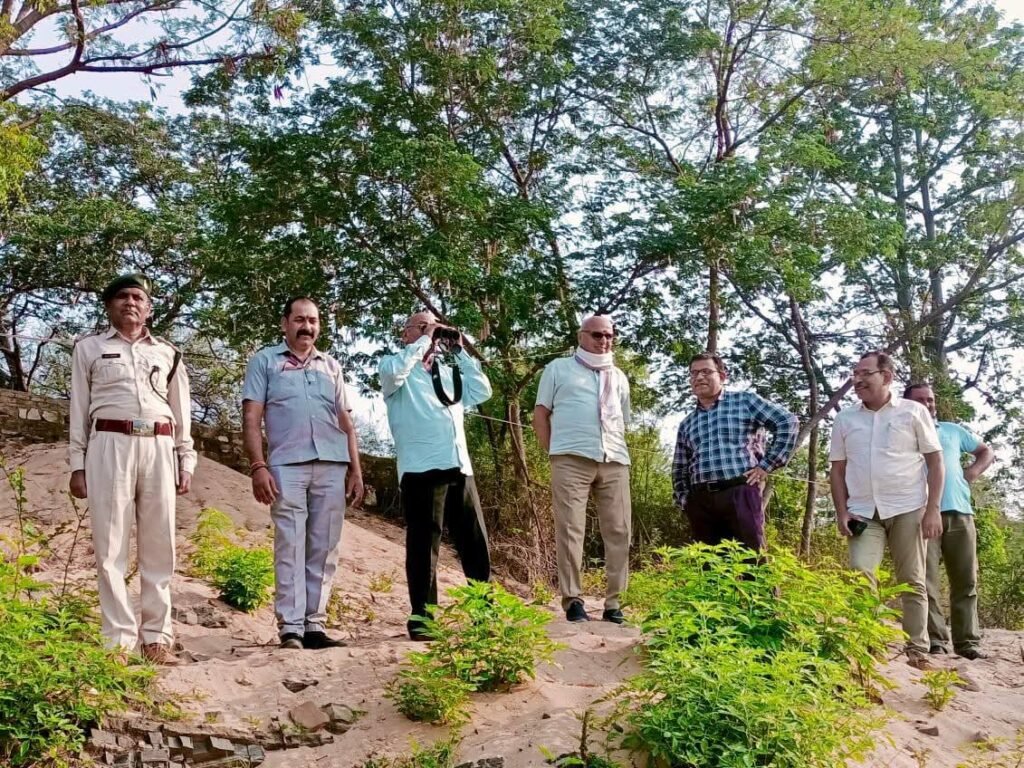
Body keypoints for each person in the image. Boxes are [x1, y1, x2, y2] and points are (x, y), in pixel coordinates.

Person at [68, 274, 196, 665]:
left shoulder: (169, 354)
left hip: (159, 445)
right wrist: (77, 463)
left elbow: (181, 411)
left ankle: (157, 637)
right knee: (110, 547)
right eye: (121, 296)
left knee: (160, 545)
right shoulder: (89, 349)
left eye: (138, 297)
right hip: (108, 444)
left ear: (149, 308)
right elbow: (78, 409)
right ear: (109, 306)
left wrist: (184, 458)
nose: (130, 302)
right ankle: (119, 642)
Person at [242, 297, 364, 650]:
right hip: (285, 466)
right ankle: (291, 627)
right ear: (285, 323)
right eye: (299, 319)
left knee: (325, 547)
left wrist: (355, 469)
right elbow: (251, 420)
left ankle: (314, 624)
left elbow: (346, 423)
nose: (306, 327)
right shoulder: (265, 362)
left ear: (319, 326)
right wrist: (258, 466)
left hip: (332, 464)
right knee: (290, 544)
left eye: (312, 321)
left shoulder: (331, 367)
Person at [379, 311, 492, 640]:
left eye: (434, 327)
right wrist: (426, 339)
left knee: (475, 544)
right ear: (407, 334)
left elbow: (481, 391)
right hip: (422, 468)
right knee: (424, 546)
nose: (434, 333)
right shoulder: (394, 367)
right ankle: (423, 619)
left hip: (459, 465)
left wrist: (460, 351)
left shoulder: (447, 368)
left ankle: (485, 613)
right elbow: (395, 371)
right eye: (424, 326)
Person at [829, 351, 944, 665]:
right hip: (863, 512)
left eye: (865, 373)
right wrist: (842, 512)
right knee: (860, 573)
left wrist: (932, 509)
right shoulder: (845, 418)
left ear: (887, 376)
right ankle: (864, 645)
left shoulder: (913, 412)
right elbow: (837, 470)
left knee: (912, 578)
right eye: (855, 374)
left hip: (908, 507)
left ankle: (918, 650)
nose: (858, 380)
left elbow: (936, 462)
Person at [533, 314, 632, 624]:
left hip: (614, 459)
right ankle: (573, 600)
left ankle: (614, 604)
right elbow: (540, 414)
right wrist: (555, 453)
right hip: (570, 458)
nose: (603, 341)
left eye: (608, 336)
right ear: (581, 336)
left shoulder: (618, 376)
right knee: (571, 530)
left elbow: (623, 421)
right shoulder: (558, 369)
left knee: (619, 531)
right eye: (597, 335)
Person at [672, 352, 798, 551]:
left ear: (722, 376)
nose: (699, 377)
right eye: (694, 373)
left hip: (740, 491)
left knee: (752, 563)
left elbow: (787, 422)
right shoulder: (687, 423)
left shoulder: (744, 401)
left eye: (706, 371)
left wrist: (766, 465)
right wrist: (686, 501)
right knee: (710, 569)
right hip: (701, 501)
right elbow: (679, 468)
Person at [904, 383, 994, 660]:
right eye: (920, 400)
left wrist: (972, 473)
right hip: (920, 513)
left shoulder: (952, 431)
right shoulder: (901, 433)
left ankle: (967, 642)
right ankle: (936, 641)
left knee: (966, 580)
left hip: (960, 512)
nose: (928, 404)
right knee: (925, 581)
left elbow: (986, 451)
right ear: (907, 404)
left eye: (930, 399)